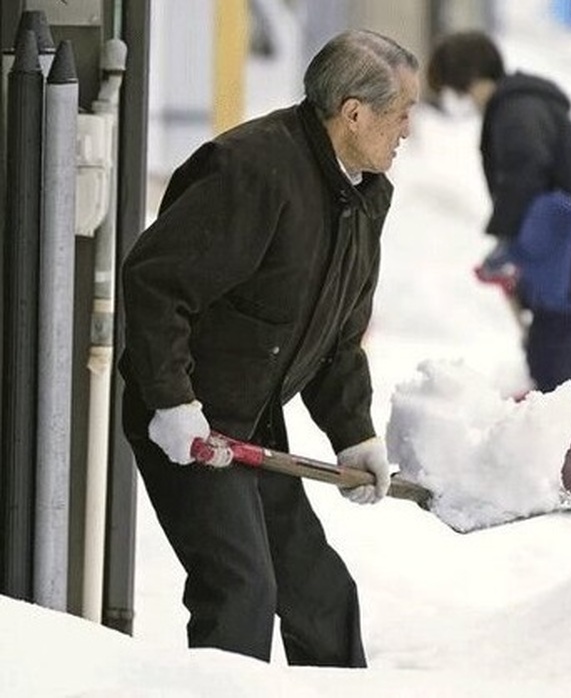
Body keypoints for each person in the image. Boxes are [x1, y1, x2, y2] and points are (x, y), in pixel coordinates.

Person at [118, 29, 420, 666]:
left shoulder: (364, 196)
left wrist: (353, 434)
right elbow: (156, 282)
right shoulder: (251, 169)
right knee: (240, 590)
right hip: (189, 417)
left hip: (252, 417)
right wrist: (172, 402)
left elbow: (336, 337)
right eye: (401, 113)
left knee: (320, 595)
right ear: (354, 112)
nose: (407, 131)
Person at [426, 31, 571, 505]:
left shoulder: (515, 110)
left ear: (464, 79)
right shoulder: (523, 104)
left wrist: (506, 242)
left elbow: (525, 170)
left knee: (553, 362)